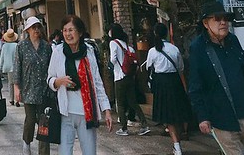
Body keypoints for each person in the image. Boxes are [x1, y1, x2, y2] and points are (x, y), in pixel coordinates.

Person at [189, 0, 244, 155]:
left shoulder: (233, 41)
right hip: (223, 118)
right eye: (217, 18)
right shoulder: (198, 48)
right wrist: (202, 116)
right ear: (205, 23)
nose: (223, 22)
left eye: (226, 18)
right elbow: (195, 86)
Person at [48, 15, 113, 155]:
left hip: (87, 113)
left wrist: (106, 109)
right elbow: (49, 79)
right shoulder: (58, 52)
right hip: (66, 112)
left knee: (89, 152)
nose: (67, 34)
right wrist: (58, 81)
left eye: (71, 30)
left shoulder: (88, 52)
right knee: (64, 152)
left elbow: (97, 83)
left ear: (80, 32)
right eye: (65, 30)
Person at [146, 23, 191, 155]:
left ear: (155, 34)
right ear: (167, 33)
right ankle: (180, 138)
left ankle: (177, 146)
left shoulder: (153, 51)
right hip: (175, 82)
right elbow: (180, 68)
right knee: (179, 112)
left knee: (168, 116)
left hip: (161, 83)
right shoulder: (174, 49)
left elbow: (149, 67)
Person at [13, 16, 52, 155]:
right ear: (28, 30)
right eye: (33, 27)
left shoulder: (46, 47)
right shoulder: (22, 46)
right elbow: (17, 67)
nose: (36, 30)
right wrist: (16, 88)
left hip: (44, 90)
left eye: (38, 27)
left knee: (44, 122)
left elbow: (51, 67)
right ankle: (27, 141)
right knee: (30, 119)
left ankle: (44, 152)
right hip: (28, 89)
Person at [108, 23, 149, 136]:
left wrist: (114, 65)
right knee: (133, 102)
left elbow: (113, 59)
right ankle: (144, 124)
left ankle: (124, 128)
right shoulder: (127, 46)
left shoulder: (113, 43)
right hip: (129, 77)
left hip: (119, 76)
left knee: (120, 103)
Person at [0, 29, 19, 106]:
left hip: (8, 66)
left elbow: (2, 57)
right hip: (16, 66)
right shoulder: (17, 45)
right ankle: (17, 100)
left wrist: (0, 67)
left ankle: (11, 99)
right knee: (17, 83)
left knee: (10, 83)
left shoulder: (4, 46)